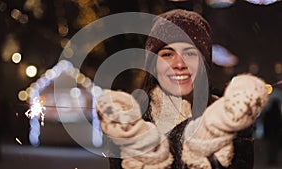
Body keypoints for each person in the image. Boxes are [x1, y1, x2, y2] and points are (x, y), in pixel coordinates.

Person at [96, 9, 269, 169]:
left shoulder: (230, 121)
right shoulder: (130, 124)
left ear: (204, 63)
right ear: (153, 65)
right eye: (167, 54)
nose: (179, 64)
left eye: (190, 53)